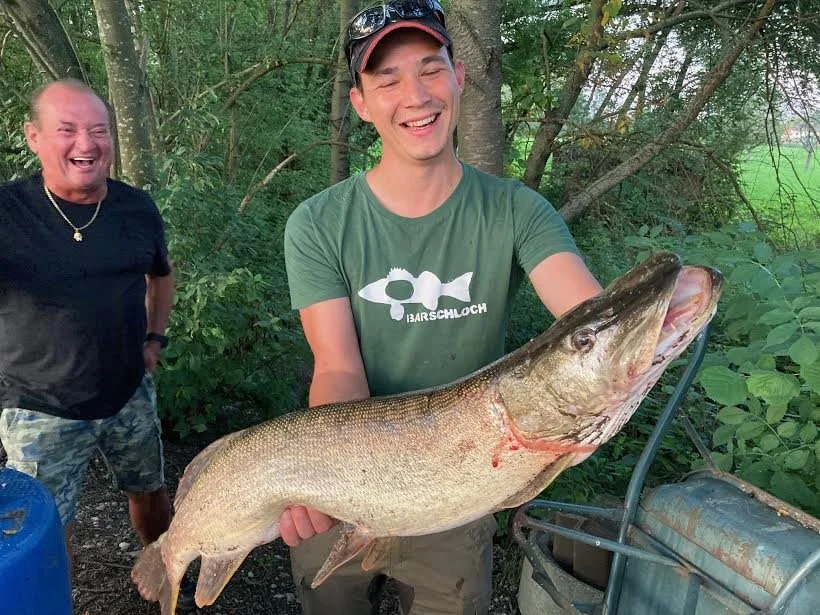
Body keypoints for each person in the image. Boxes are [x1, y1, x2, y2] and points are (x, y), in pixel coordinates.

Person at [282, 1, 603, 613]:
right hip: (342, 476)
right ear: (360, 103)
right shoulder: (318, 224)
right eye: (388, 80)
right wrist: (330, 476)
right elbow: (339, 367)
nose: (416, 96)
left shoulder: (516, 210)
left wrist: (643, 330)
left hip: (458, 487)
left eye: (431, 69)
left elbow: (588, 323)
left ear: (458, 77)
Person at [0, 80, 176, 586]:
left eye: (99, 130)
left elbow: (161, 275)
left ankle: (166, 576)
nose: (87, 143)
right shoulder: (8, 212)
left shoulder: (135, 208)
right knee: (45, 534)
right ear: (34, 137)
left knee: (150, 491)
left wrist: (154, 338)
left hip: (128, 391)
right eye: (68, 130)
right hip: (39, 407)